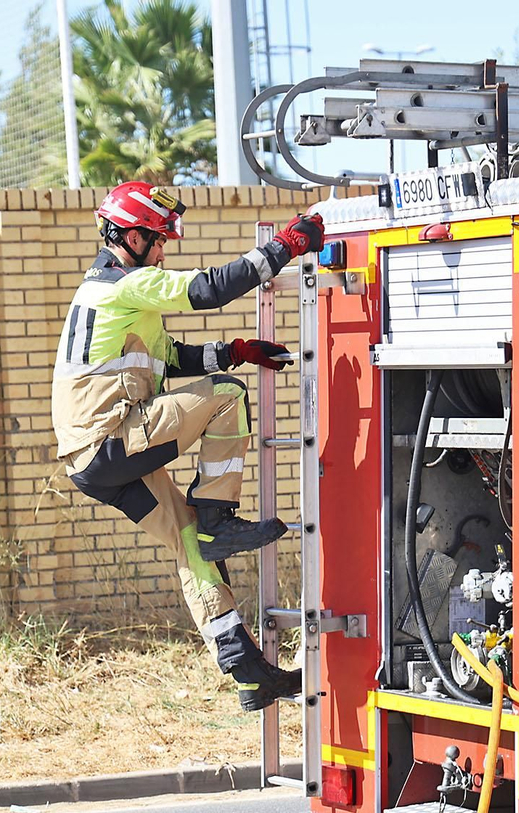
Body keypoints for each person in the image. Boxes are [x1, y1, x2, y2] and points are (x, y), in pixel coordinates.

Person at [52, 181, 326, 711]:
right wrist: (285, 248)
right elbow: (207, 290)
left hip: (91, 459)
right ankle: (220, 515)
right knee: (226, 399)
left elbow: (170, 359)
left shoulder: (112, 295)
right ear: (127, 237)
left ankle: (249, 673)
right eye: (156, 239)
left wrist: (234, 350)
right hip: (111, 439)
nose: (162, 250)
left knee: (190, 542)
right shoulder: (122, 285)